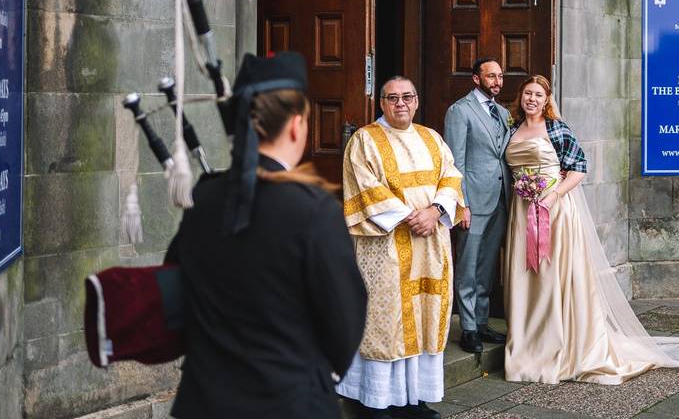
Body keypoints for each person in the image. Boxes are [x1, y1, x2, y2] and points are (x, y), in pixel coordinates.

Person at [503, 75, 679, 385]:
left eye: (538, 94)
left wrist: (554, 194)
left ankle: (557, 347)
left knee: (553, 274)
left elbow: (579, 168)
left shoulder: (557, 130)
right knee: (527, 276)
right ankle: (529, 342)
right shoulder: (510, 131)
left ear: (547, 100)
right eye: (527, 93)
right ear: (520, 97)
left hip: (555, 212)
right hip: (522, 212)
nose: (532, 99)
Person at [166, 52, 368, 419]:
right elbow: (345, 320)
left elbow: (174, 288)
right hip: (289, 402)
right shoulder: (314, 210)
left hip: (203, 402)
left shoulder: (204, 196)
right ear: (296, 125)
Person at [337, 76, 466, 419]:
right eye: (392, 98)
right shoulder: (365, 140)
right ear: (381, 103)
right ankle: (374, 400)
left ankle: (413, 399)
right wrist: (413, 217)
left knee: (424, 317)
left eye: (407, 97)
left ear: (417, 101)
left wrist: (435, 211)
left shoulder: (431, 137)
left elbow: (451, 176)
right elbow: (366, 189)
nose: (400, 104)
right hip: (387, 247)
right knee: (385, 320)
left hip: (430, 245)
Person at [444, 57, 512, 353]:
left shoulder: (505, 113)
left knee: (486, 266)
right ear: (476, 79)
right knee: (469, 266)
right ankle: (468, 328)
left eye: (499, 76)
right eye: (490, 76)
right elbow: (454, 162)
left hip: (500, 198)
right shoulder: (460, 111)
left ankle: (483, 322)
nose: (497, 81)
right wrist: (462, 205)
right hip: (473, 200)